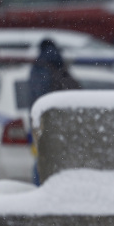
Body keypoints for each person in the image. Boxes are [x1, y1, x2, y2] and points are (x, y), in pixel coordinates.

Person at [28, 38, 80, 185]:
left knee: (40, 156)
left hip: (43, 120)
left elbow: (36, 96)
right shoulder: (60, 64)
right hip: (63, 120)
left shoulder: (38, 68)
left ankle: (40, 187)